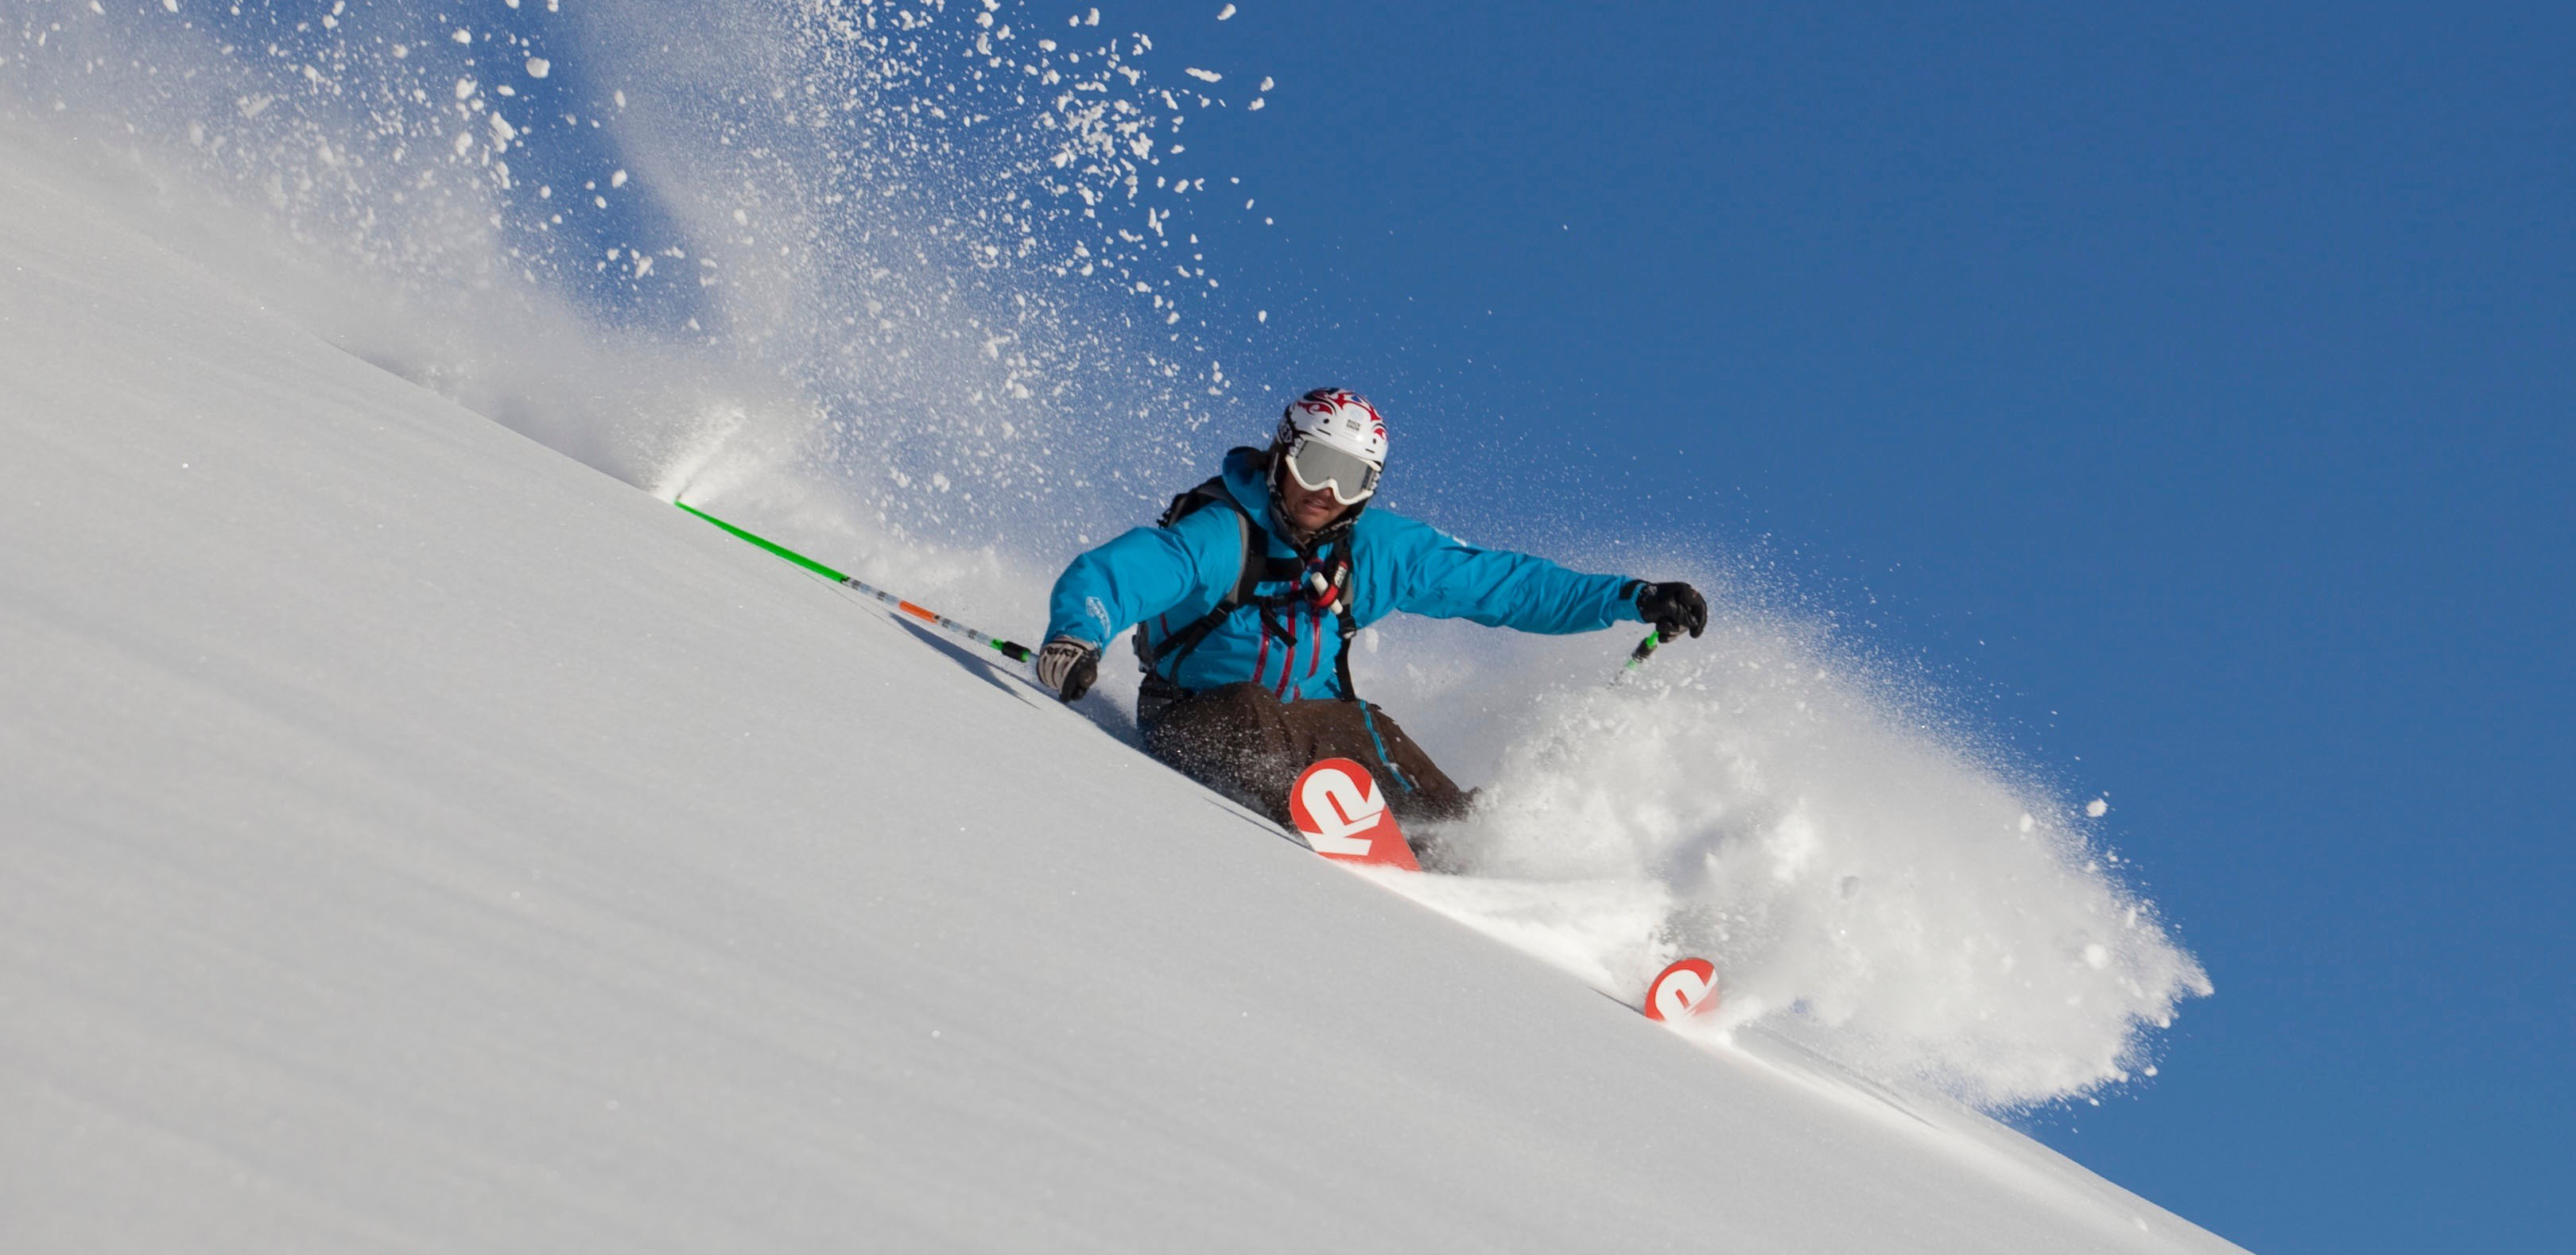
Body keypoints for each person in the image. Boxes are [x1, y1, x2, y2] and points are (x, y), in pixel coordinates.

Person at [1034, 387, 1706, 830]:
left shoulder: (1370, 551)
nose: (1324, 492)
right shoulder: (1222, 534)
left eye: (1349, 478)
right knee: (1253, 713)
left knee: (1370, 731)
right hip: (1192, 714)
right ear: (1282, 454)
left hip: (1317, 730)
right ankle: (1341, 829)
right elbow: (1118, 573)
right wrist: (1076, 636)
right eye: (1315, 464)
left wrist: (1630, 597)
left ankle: (1459, 849)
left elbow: (1500, 584)